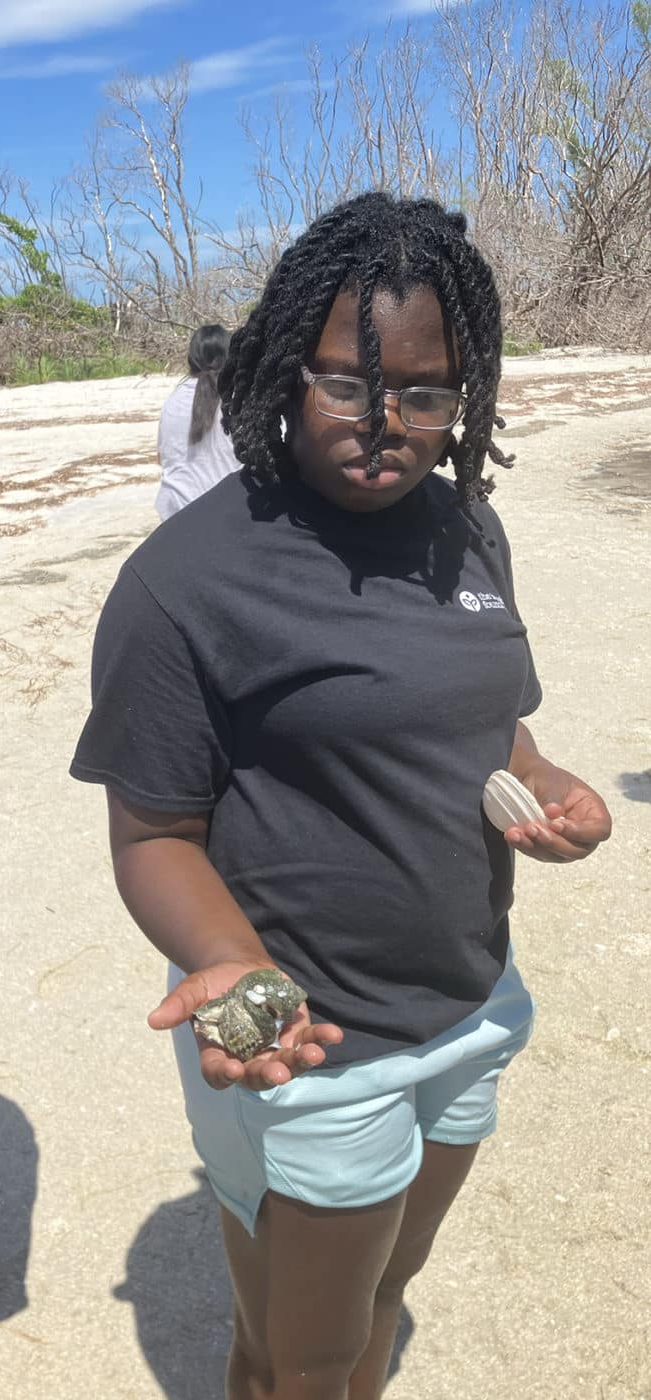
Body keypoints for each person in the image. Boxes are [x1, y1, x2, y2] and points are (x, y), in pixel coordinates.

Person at [71, 192, 612, 1400]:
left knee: (376, 1303)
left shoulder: (469, 528)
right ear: (279, 370)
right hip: (311, 1036)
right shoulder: (186, 581)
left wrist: (545, 780)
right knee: (306, 1357)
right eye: (346, 384)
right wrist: (230, 965)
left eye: (427, 394)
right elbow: (153, 831)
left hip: (469, 1002)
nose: (387, 424)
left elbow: (484, 719)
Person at [156, 322, 240, 520]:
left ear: (190, 359)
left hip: (173, 515)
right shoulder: (238, 397)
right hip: (226, 515)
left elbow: (160, 459)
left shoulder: (173, 400)